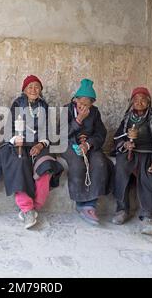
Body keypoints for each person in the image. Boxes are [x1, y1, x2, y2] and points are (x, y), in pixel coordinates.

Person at [0, 75, 63, 229]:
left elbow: (48, 131)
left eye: (37, 86)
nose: (33, 89)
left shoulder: (44, 106)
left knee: (46, 166)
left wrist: (41, 144)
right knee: (18, 163)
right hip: (20, 144)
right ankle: (26, 208)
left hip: (39, 145)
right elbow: (9, 127)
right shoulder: (17, 104)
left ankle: (33, 207)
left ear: (41, 90)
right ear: (24, 90)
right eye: (30, 87)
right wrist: (15, 139)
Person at [111, 86, 152, 235]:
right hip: (130, 151)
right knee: (120, 168)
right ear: (132, 102)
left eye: (143, 99)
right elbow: (117, 137)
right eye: (136, 100)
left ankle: (149, 216)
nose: (139, 102)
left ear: (148, 102)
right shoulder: (127, 118)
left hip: (149, 152)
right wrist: (125, 144)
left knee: (150, 173)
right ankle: (122, 209)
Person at [61, 79, 113, 225]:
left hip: (89, 146)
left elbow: (101, 133)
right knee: (78, 163)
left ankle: (90, 204)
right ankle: (80, 203)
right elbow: (61, 134)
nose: (83, 106)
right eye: (80, 103)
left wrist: (89, 144)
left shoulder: (95, 113)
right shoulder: (67, 110)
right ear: (75, 99)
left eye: (87, 104)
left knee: (100, 162)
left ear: (92, 103)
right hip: (69, 145)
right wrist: (78, 120)